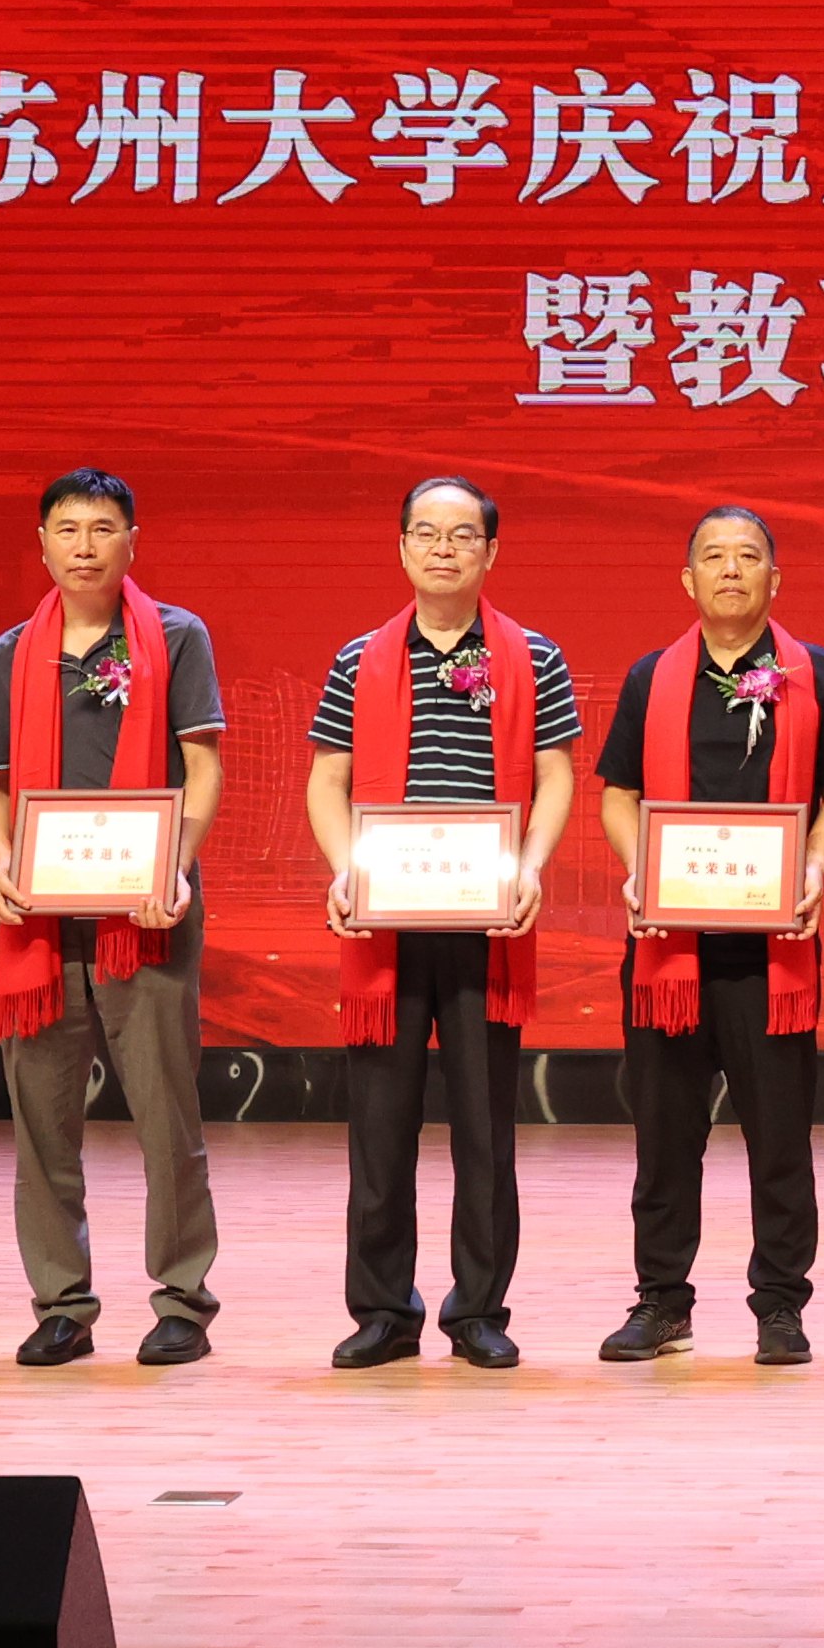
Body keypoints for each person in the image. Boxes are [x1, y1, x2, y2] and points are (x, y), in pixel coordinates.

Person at [307, 474, 576, 1369]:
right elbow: (328, 778)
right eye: (426, 533)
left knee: (484, 1132)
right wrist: (345, 870)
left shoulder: (534, 656)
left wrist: (528, 867)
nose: (443, 549)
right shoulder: (359, 657)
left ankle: (478, 1310)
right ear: (402, 548)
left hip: (485, 926)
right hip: (384, 926)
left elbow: (556, 773)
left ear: (491, 552)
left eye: (463, 536)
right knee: (379, 1131)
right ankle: (383, 1312)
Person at [595, 505, 824, 1368]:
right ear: (687, 579)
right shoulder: (651, 677)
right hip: (667, 950)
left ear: (774, 579)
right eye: (712, 556)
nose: (729, 569)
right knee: (663, 1142)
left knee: (779, 1142)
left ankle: (780, 1306)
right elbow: (618, 793)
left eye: (747, 556)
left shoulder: (816, 674)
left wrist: (814, 863)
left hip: (771, 953)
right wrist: (640, 867)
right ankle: (661, 1303)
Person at [0, 468, 226, 1369]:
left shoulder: (176, 637)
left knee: (167, 1119)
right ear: (42, 545)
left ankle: (182, 1301)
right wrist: (0, 866)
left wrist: (175, 867)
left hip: (148, 913)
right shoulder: (9, 654)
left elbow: (203, 767)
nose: (85, 546)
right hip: (39, 927)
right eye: (68, 529)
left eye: (103, 528)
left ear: (132, 542)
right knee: (42, 1126)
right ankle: (61, 1305)